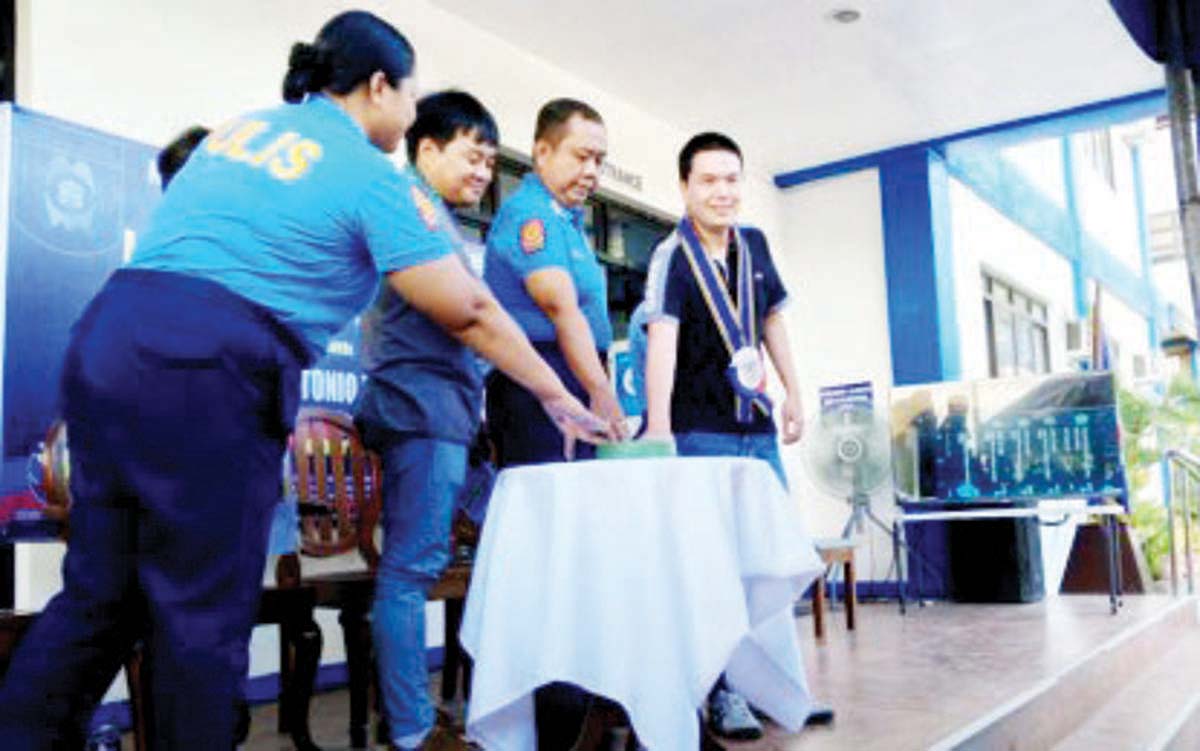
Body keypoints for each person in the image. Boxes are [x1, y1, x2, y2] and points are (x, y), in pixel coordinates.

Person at [0, 12, 604, 751]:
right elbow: (472, 308)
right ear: (379, 85)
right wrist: (557, 394)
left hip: (107, 340)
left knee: (100, 594)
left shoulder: (240, 130)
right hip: (206, 368)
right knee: (201, 614)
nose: (411, 115)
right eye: (410, 97)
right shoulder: (367, 171)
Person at [641, 132, 806, 741]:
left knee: (768, 557)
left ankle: (774, 681)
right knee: (711, 572)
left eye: (732, 178)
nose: (722, 191)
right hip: (700, 431)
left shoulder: (755, 244)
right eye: (708, 180)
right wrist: (658, 428)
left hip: (755, 429)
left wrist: (793, 392)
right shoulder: (671, 256)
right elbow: (663, 337)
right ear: (685, 186)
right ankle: (722, 694)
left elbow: (771, 321)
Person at [351, 89, 503, 751]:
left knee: (440, 560)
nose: (483, 172)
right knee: (411, 571)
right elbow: (467, 317)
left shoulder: (434, 213)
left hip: (441, 411)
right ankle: (413, 730)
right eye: (473, 155)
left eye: (492, 162)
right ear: (428, 146)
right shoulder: (412, 207)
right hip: (421, 408)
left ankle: (421, 715)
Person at [484, 98, 628, 469]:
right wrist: (600, 390)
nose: (592, 171)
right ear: (542, 152)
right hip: (543, 380)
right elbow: (560, 309)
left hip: (578, 374)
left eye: (599, 160)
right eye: (581, 157)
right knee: (550, 505)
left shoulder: (568, 221)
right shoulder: (532, 214)